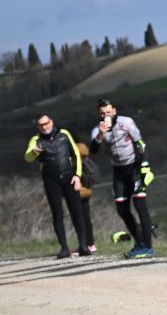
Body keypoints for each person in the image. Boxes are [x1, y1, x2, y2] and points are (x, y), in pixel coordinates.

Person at [89, 99, 157, 259]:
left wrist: (145, 166)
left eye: (108, 112)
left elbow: (140, 143)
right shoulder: (97, 130)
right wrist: (101, 133)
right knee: (122, 209)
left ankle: (148, 246)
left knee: (140, 205)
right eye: (102, 113)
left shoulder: (126, 122)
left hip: (134, 167)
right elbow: (93, 149)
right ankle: (139, 241)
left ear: (114, 110)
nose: (106, 115)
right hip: (118, 171)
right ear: (98, 115)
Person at [24, 114, 89, 259]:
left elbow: (75, 155)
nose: (44, 127)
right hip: (51, 180)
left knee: (77, 211)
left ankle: (83, 246)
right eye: (41, 125)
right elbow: (27, 157)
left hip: (69, 178)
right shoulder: (36, 140)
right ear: (37, 127)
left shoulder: (64, 134)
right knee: (57, 214)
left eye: (46, 123)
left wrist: (77, 176)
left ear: (51, 122)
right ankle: (64, 248)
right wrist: (33, 152)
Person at [77, 142, 99, 254]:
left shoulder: (76, 148)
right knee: (84, 217)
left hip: (80, 188)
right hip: (84, 188)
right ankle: (89, 244)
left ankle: (87, 244)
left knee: (82, 218)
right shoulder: (81, 147)